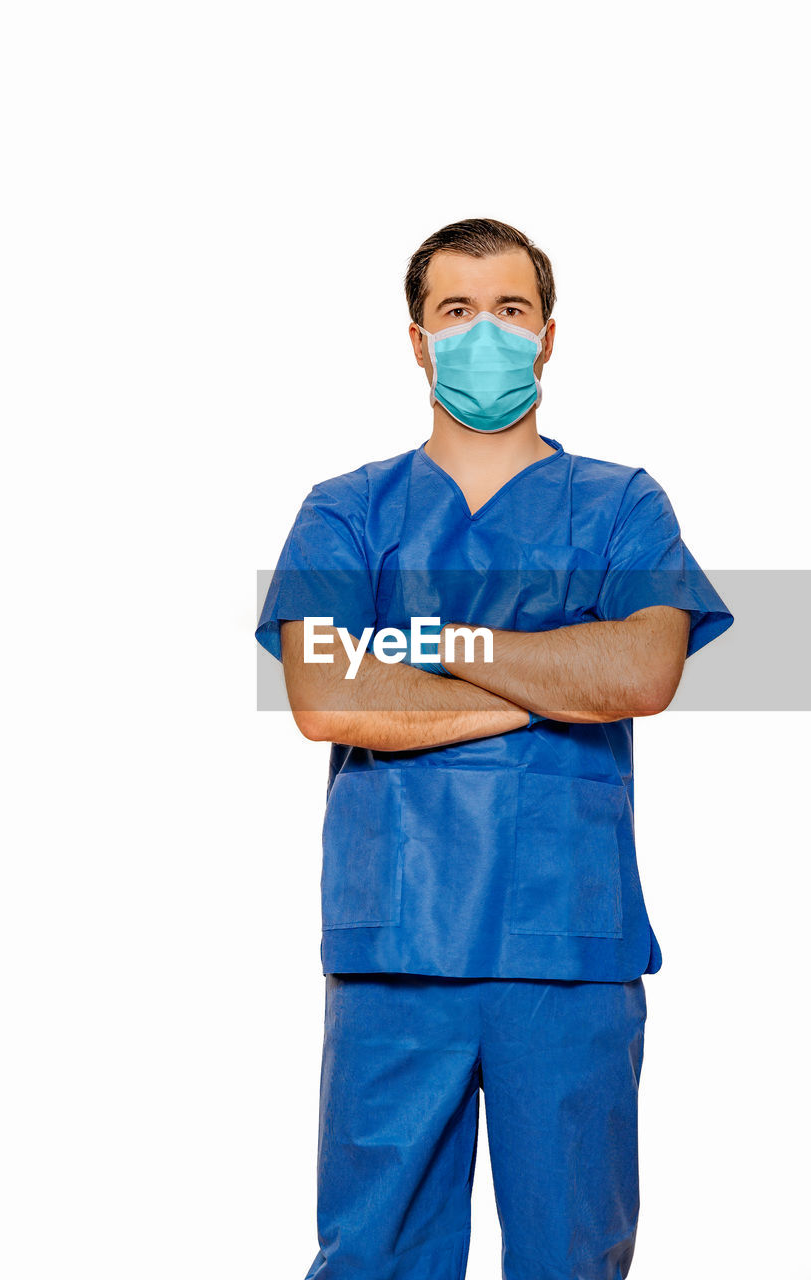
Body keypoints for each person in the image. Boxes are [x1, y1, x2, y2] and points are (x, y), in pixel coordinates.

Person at [254, 217, 734, 1280]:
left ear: (548, 336)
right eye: (457, 312)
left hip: (565, 948)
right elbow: (326, 695)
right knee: (372, 1254)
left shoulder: (620, 504)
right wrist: (556, 678)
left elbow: (643, 672)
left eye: (510, 311)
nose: (485, 334)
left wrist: (433, 648)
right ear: (418, 341)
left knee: (573, 1256)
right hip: (398, 955)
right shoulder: (347, 511)